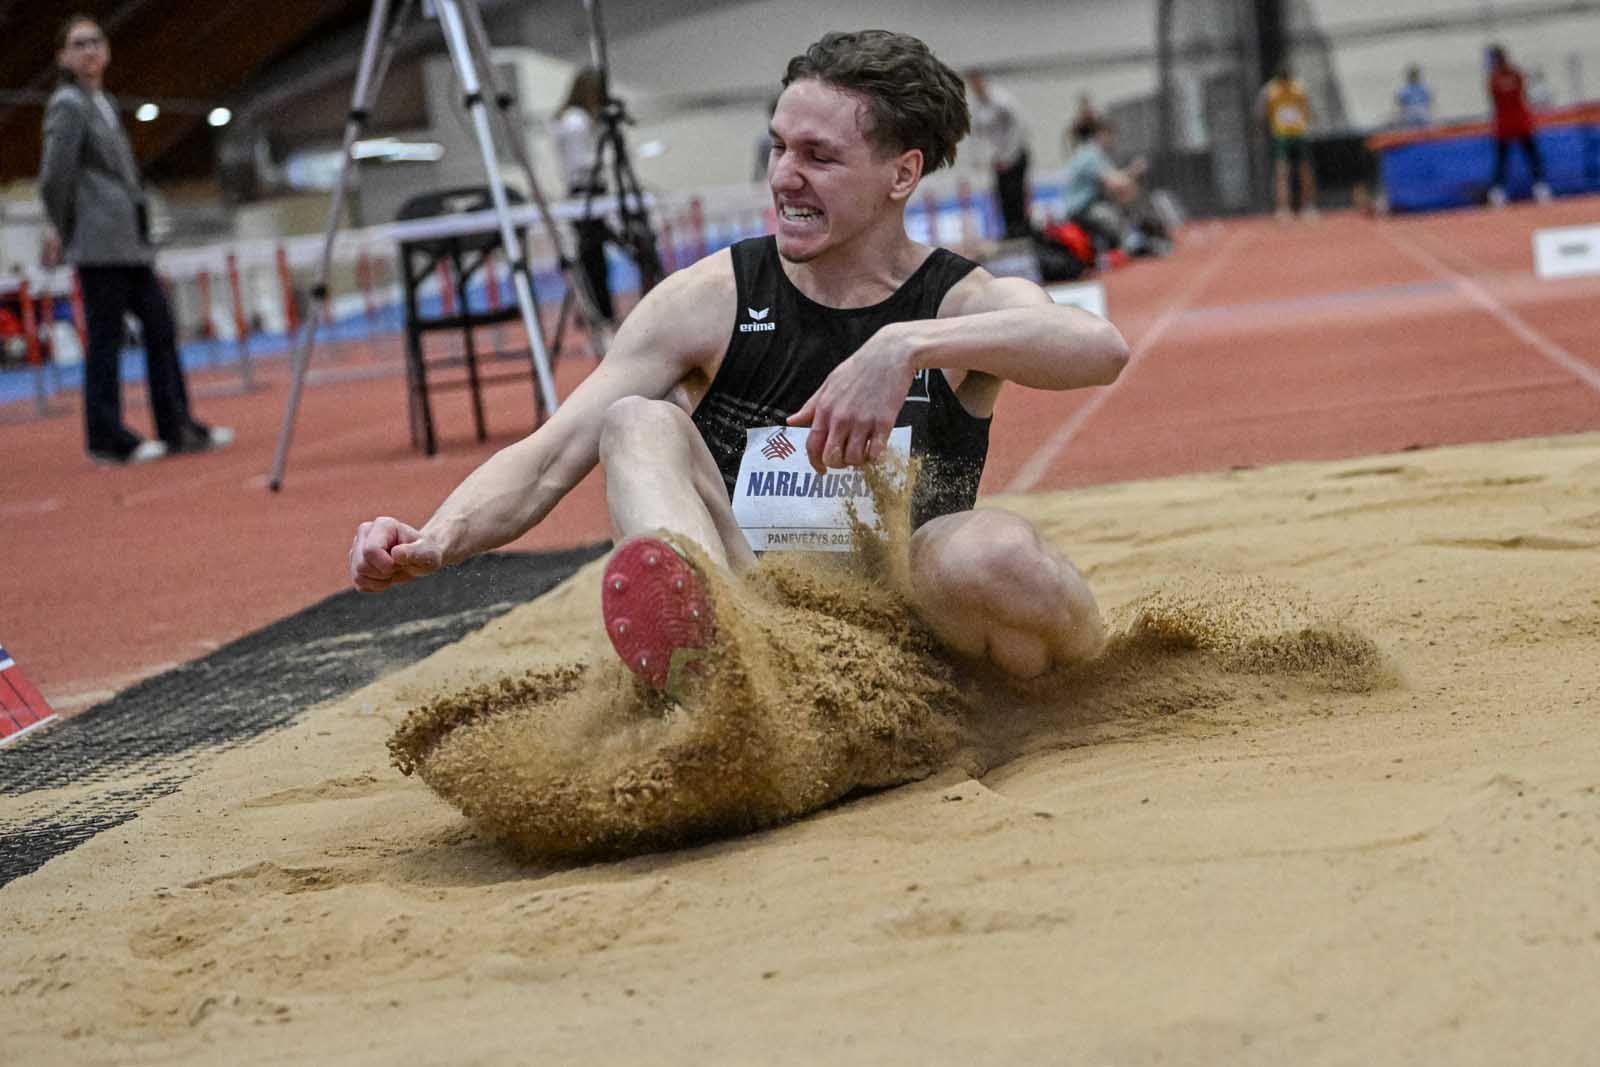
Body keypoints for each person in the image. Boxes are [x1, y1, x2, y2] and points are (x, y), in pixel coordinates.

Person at [350, 29, 1128, 692]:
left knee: (991, 551)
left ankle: (1084, 695)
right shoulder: (709, 299)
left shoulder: (960, 300)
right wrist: (435, 537)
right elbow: (550, 455)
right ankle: (714, 675)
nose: (784, 175)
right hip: (767, 632)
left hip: (919, 633)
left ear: (902, 173)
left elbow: (1096, 348)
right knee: (635, 421)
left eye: (819, 156)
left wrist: (904, 345)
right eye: (779, 147)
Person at [37, 13, 232, 466]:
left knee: (160, 328)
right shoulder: (68, 104)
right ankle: (107, 438)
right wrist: (62, 227)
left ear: (106, 50)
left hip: (130, 242)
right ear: (63, 57)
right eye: (79, 43)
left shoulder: (103, 102)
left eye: (95, 41)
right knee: (106, 341)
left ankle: (176, 426)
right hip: (98, 243)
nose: (90, 50)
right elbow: (54, 176)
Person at [552, 66, 615, 322]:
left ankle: (598, 309)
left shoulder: (574, 120)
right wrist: (608, 158)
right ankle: (598, 311)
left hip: (585, 192)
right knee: (591, 259)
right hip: (584, 194)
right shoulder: (576, 122)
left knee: (593, 258)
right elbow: (581, 163)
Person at [1059, 116, 1157, 257]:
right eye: (1111, 135)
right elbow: (1115, 182)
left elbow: (1116, 179)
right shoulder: (1089, 155)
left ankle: (1134, 241)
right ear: (1101, 134)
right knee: (1111, 215)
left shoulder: (1093, 153)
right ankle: (1130, 246)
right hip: (1080, 210)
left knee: (1123, 199)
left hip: (1089, 205)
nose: (1113, 140)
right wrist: (1135, 170)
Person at [965, 71, 1033, 240]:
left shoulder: (1002, 100)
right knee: (1003, 195)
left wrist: (1010, 155)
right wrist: (980, 158)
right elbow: (977, 135)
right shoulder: (979, 107)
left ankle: (1022, 228)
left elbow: (1020, 125)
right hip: (999, 158)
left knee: (1015, 193)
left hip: (1015, 153)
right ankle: (1010, 229)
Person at [1485, 45, 1551, 207]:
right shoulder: (1514, 74)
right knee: (1527, 157)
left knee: (1508, 159)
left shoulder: (1495, 78)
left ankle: (1499, 192)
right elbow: (1523, 94)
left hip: (1509, 122)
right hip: (1515, 122)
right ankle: (1539, 188)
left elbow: (1495, 99)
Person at [1259, 64, 1318, 221]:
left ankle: (1308, 206)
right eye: (1282, 82)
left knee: (1305, 171)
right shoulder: (1269, 91)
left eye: (1287, 81)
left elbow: (1309, 109)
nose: (1285, 84)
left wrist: (1310, 124)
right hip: (1281, 136)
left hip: (1299, 134)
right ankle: (1283, 208)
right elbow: (1261, 113)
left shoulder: (1299, 88)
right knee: (1282, 172)